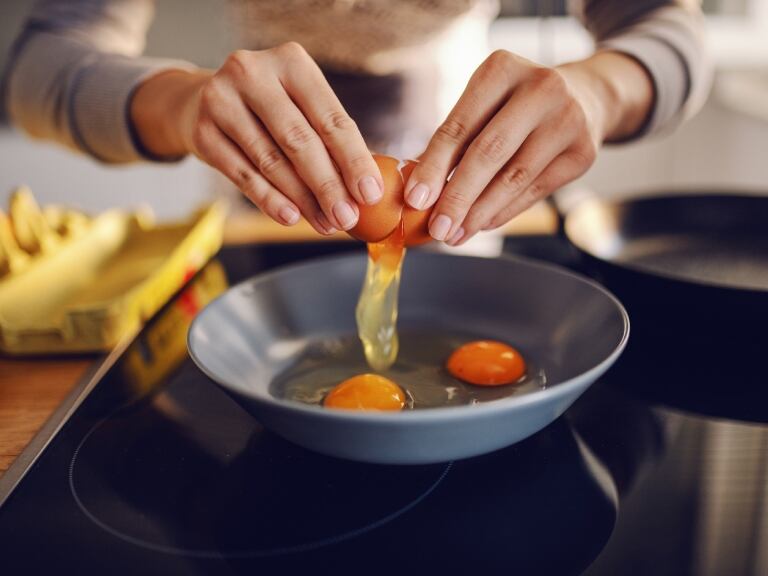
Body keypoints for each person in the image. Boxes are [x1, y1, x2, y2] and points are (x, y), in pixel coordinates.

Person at [3, 0, 709, 246]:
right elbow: (37, 68)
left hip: (470, 194)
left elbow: (671, 32)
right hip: (262, 198)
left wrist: (596, 93)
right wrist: (182, 104)